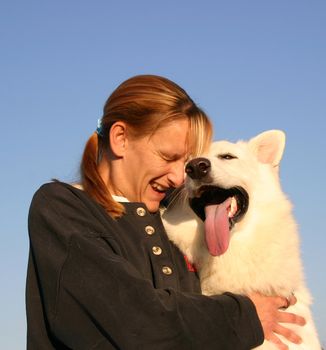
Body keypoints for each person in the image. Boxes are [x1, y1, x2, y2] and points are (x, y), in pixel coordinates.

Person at [26, 75, 305, 349]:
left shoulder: (175, 217)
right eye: (169, 157)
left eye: (186, 164)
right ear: (120, 138)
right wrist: (245, 317)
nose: (178, 177)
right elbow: (139, 323)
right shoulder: (62, 208)